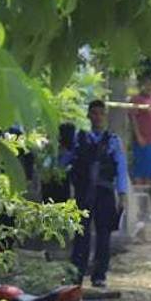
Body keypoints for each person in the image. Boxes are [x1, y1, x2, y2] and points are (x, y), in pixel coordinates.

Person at [62, 100, 128, 287]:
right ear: (89, 116)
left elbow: (121, 168)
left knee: (103, 235)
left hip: (105, 192)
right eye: (94, 113)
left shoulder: (113, 141)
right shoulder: (79, 138)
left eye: (101, 113)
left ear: (104, 116)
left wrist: (122, 195)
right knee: (81, 234)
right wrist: (64, 147)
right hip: (83, 193)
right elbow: (64, 162)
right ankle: (77, 274)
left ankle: (99, 275)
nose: (97, 117)